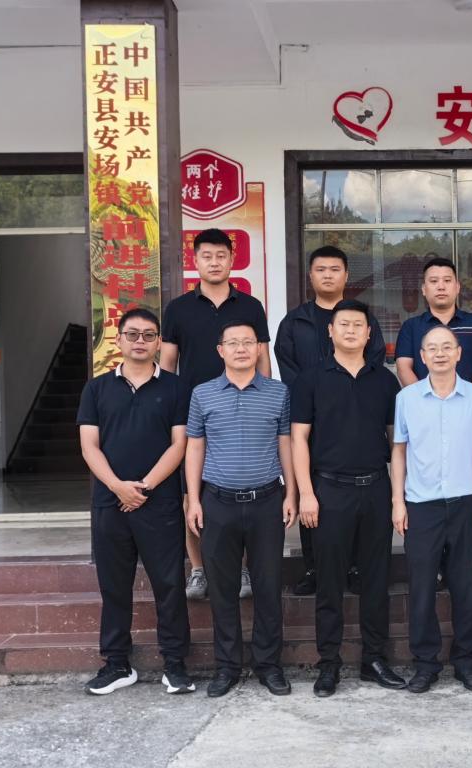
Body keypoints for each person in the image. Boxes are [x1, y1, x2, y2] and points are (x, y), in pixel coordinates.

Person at [292, 299, 406, 697]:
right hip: (329, 490)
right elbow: (299, 439)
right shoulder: (310, 379)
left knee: (376, 579)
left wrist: (397, 497)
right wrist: (306, 493)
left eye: (359, 325)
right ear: (331, 331)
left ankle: (374, 659)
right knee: (329, 582)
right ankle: (329, 664)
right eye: (344, 324)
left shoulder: (385, 381)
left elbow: (396, 443)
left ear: (369, 332)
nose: (351, 330)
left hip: (375, 488)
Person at [77, 308, 192, 696]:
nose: (140, 341)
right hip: (110, 503)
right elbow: (89, 446)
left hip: (159, 503)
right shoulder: (96, 389)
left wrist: (142, 487)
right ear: (119, 339)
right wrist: (117, 487)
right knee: (114, 586)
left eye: (148, 335)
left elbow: (179, 444)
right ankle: (116, 664)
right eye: (132, 334)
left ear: (159, 342)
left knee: (169, 584)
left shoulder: (176, 387)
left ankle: (175, 664)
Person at [184, 321, 296, 698]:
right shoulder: (202, 394)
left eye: (248, 342)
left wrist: (291, 493)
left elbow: (285, 444)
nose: (241, 348)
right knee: (222, 589)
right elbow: (195, 447)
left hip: (267, 501)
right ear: (221, 351)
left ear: (259, 348)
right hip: (218, 503)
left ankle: (269, 665)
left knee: (268, 586)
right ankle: (227, 667)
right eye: (233, 343)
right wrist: (193, 499)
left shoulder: (278, 393)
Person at [161, 227, 271, 602]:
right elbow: (168, 365)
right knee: (192, 492)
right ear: (195, 261)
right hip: (195, 414)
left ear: (231, 259)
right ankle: (197, 569)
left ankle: (241, 568)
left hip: (244, 411)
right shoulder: (178, 309)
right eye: (206, 256)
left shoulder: (250, 307)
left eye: (221, 255)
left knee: (241, 492)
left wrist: (265, 402)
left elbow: (263, 360)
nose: (214, 262)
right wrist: (169, 411)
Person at [274, 244, 386, 596]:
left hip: (355, 416)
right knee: (314, 493)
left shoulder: (362, 319)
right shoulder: (294, 322)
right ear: (310, 275)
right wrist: (318, 398)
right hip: (309, 418)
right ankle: (314, 567)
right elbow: (288, 366)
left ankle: (354, 566)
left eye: (334, 269)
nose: (327, 275)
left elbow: (374, 362)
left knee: (355, 500)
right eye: (320, 269)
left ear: (346, 275)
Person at [391, 326, 472, 693]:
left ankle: (466, 662)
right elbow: (399, 451)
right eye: (432, 348)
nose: (439, 354)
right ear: (421, 356)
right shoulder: (407, 398)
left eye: (446, 347)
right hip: (421, 505)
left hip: (466, 503)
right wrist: (398, 502)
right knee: (421, 588)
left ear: (458, 353)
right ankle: (425, 664)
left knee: (465, 586)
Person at [395, 256, 472, 590]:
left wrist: (465, 398)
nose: (440, 286)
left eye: (447, 280)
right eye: (433, 281)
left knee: (468, 488)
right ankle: (436, 567)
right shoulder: (412, 327)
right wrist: (426, 400)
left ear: (457, 286)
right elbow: (404, 365)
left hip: (464, 412)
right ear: (424, 289)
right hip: (425, 412)